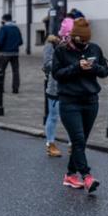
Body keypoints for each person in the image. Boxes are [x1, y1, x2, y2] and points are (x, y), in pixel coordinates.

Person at [52, 18, 108, 193]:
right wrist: (76, 67)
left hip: (90, 101)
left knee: (81, 142)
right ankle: (87, 176)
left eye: (86, 42)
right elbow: (57, 74)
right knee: (77, 139)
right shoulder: (61, 51)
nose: (83, 45)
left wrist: (93, 68)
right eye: (80, 42)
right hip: (69, 102)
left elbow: (105, 70)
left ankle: (70, 175)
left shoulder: (94, 49)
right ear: (72, 37)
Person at [42, 19, 73, 158]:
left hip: (72, 87)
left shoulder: (74, 45)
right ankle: (50, 144)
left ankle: (73, 144)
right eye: (69, 35)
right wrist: (61, 58)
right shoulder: (52, 44)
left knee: (73, 116)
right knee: (53, 116)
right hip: (55, 87)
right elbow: (47, 65)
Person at [0, 13, 23, 94]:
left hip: (4, 53)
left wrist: (0, 49)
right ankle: (15, 89)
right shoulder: (16, 28)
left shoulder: (3, 28)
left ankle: (0, 88)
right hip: (15, 53)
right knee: (15, 71)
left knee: (1, 71)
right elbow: (21, 41)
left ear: (4, 20)